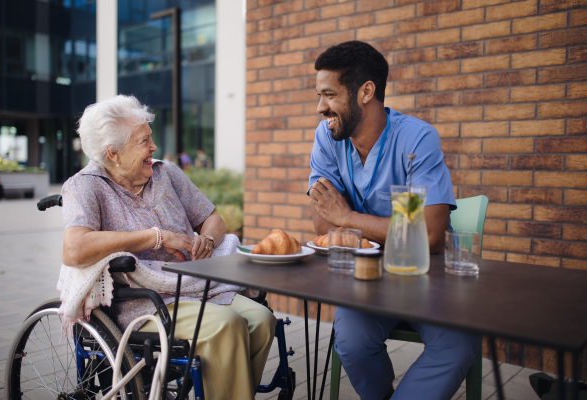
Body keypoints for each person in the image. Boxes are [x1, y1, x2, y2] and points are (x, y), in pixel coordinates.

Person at [62, 95, 275, 400]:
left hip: (194, 285)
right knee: (226, 325)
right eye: (144, 141)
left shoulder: (166, 173)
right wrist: (156, 236)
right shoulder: (85, 186)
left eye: (150, 138)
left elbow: (212, 218)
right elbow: (74, 249)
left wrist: (209, 240)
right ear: (114, 153)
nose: (153, 147)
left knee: (262, 320)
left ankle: (225, 390)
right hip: (143, 304)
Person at [307, 41, 481, 400]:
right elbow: (323, 228)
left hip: (430, 282)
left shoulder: (416, 139)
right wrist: (385, 227)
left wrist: (349, 217)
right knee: (351, 340)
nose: (320, 107)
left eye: (329, 94)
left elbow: (430, 236)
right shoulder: (328, 137)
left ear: (366, 91)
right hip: (367, 281)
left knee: (458, 344)